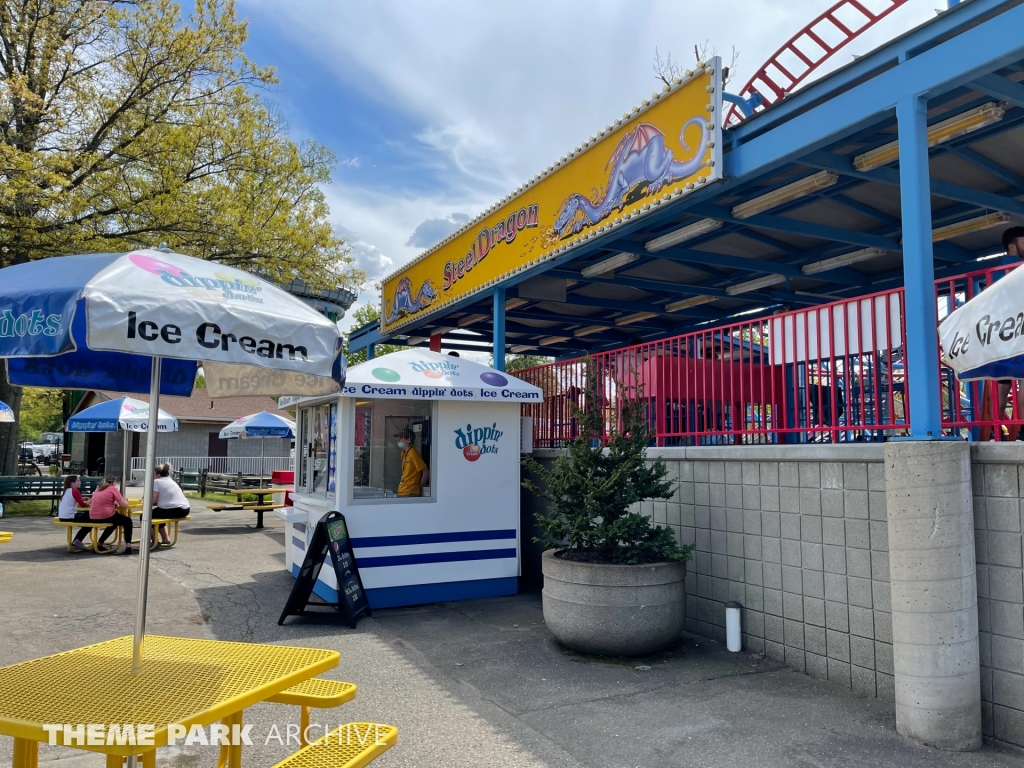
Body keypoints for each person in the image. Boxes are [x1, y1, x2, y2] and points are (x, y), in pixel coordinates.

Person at [996, 226, 1024, 434]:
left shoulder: (998, 271)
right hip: (1016, 330)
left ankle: (992, 429)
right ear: (1012, 246)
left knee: (1002, 383)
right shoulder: (1016, 269)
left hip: (1002, 334)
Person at [72, 474, 133, 554]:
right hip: (107, 515)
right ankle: (128, 546)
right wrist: (125, 501)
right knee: (127, 521)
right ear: (113, 482)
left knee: (114, 523)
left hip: (93, 516)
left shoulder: (98, 488)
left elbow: (96, 500)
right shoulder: (113, 489)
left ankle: (99, 544)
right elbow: (123, 505)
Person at [152, 463, 190, 545]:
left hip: (175, 509)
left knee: (145, 516)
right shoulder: (170, 480)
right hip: (185, 509)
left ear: (158, 475)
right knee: (158, 514)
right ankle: (166, 539)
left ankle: (154, 541)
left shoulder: (157, 481)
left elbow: (153, 501)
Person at [58, 475, 93, 552]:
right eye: (78, 481)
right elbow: (83, 505)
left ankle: (76, 542)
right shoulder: (75, 491)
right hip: (70, 516)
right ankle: (76, 542)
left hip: (63, 516)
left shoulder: (66, 491)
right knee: (90, 517)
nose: (80, 482)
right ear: (72, 483)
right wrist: (90, 500)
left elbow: (72, 501)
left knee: (88, 519)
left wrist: (81, 498)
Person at [395, 428, 428, 497]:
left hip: (410, 492)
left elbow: (426, 472)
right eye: (398, 438)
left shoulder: (413, 453)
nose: (398, 440)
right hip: (402, 491)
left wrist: (418, 487)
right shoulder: (403, 453)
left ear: (408, 440)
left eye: (401, 438)